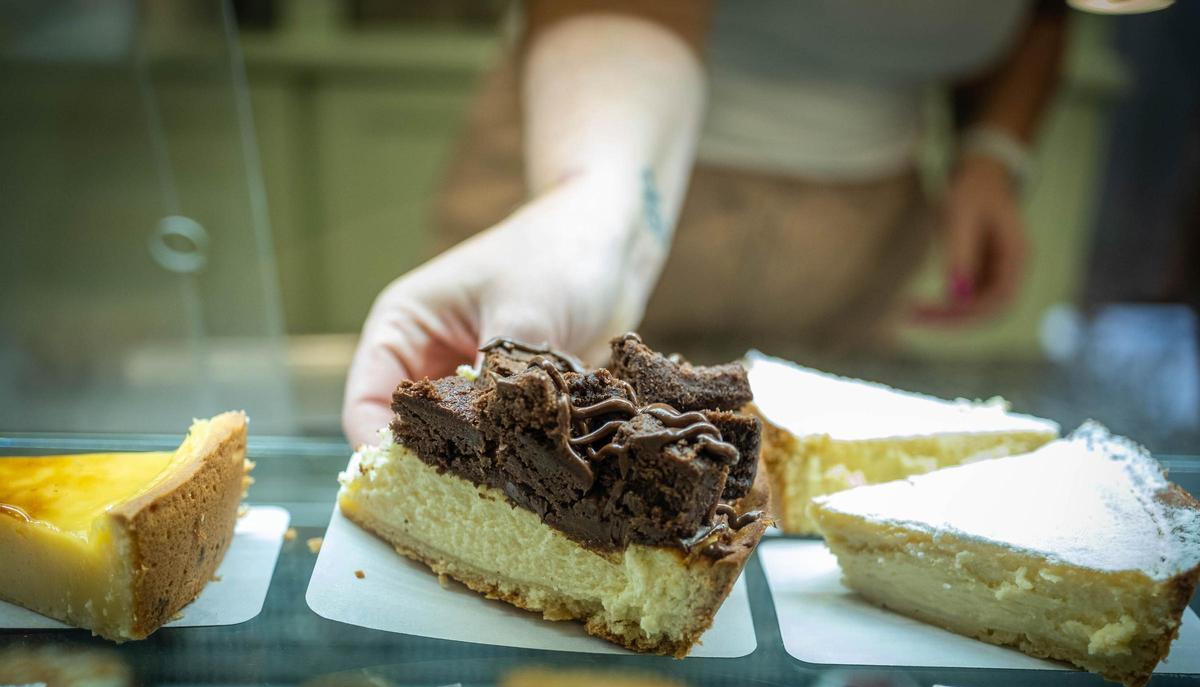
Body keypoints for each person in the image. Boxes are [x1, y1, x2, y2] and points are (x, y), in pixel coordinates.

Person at [343, 0, 1066, 446]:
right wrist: (591, 215)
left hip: (868, 214)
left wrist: (992, 151)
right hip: (607, 136)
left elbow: (1046, 15)